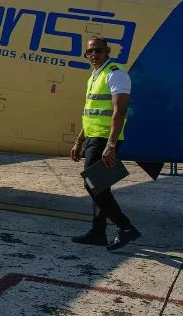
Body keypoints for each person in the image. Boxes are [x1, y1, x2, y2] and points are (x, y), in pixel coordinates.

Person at [70, 36, 141, 251]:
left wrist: (111, 145)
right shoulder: (94, 76)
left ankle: (125, 226)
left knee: (92, 184)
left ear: (107, 51)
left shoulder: (116, 74)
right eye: (89, 52)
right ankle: (98, 232)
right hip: (93, 137)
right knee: (100, 185)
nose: (93, 55)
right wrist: (79, 140)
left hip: (105, 139)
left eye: (98, 51)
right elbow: (90, 113)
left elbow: (119, 112)